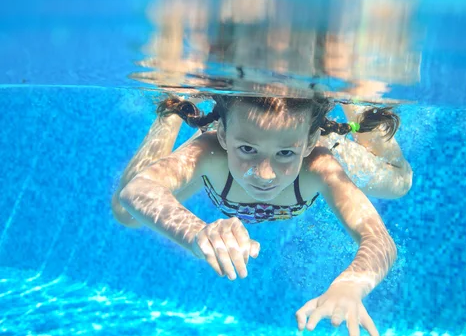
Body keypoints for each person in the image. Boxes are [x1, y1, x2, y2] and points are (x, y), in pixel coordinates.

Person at [114, 93, 412, 336]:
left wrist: (351, 284)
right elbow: (138, 189)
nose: (265, 174)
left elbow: (380, 239)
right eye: (246, 148)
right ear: (223, 134)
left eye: (285, 154)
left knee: (400, 183)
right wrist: (196, 231)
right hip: (254, 139)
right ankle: (172, 111)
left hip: (318, 140)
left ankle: (353, 103)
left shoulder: (319, 165)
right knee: (125, 212)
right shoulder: (209, 152)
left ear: (307, 144)